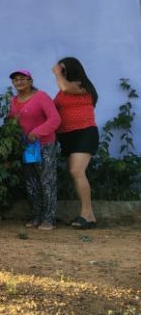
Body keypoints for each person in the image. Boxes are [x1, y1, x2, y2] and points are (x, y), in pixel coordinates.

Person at [8, 69, 61, 230]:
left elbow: (55, 119)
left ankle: (49, 218)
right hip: (26, 147)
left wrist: (36, 132)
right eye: (15, 80)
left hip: (44, 144)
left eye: (22, 79)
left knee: (47, 181)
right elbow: (12, 121)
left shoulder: (41, 97)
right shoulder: (13, 101)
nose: (19, 82)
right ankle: (36, 216)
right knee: (31, 183)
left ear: (30, 81)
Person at [52, 57, 99, 229]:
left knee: (76, 171)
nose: (61, 72)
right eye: (60, 70)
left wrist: (57, 73)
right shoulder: (63, 90)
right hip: (67, 135)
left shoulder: (81, 85)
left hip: (84, 132)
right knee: (75, 173)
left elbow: (65, 87)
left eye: (63, 69)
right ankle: (87, 215)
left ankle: (87, 214)